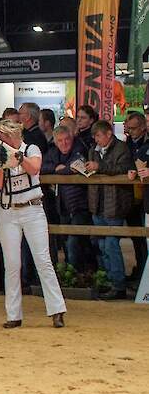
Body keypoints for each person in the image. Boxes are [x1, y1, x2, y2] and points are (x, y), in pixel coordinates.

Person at [0, 119, 65, 328]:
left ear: (11, 136)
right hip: (7, 212)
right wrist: (2, 162)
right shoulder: (0, 155)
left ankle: (57, 310)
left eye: (1, 136)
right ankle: (13, 314)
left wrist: (18, 157)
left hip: (32, 209)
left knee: (43, 260)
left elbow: (34, 169)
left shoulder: (31, 149)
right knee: (12, 264)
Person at [85, 119, 133, 299]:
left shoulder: (122, 149)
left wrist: (100, 167)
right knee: (102, 244)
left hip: (115, 203)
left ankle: (118, 285)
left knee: (111, 244)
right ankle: (108, 280)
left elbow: (124, 168)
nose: (96, 139)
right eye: (94, 136)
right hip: (98, 202)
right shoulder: (93, 150)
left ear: (108, 134)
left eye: (98, 136)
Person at [41, 126, 92, 270]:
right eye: (60, 141)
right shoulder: (52, 152)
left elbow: (76, 166)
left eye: (67, 139)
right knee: (65, 241)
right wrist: (55, 168)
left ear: (72, 138)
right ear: (56, 142)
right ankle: (73, 274)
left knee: (74, 241)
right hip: (62, 205)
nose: (64, 143)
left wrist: (59, 170)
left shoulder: (79, 148)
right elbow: (41, 166)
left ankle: (75, 272)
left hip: (80, 204)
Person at [123, 112, 148, 281]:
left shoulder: (146, 144)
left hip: (145, 196)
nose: (130, 132)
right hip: (131, 196)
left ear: (142, 127)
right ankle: (140, 269)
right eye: (128, 128)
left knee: (144, 236)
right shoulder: (127, 144)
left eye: (133, 129)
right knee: (136, 238)